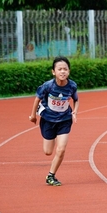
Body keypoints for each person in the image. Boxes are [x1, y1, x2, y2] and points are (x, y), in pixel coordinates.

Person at [29, 56, 79, 186]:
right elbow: (37, 98)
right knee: (48, 152)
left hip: (65, 119)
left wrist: (75, 111)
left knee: (61, 149)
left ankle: (51, 175)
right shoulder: (48, 86)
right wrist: (33, 115)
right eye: (59, 69)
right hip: (48, 120)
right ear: (53, 72)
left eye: (65, 69)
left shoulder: (72, 86)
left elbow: (76, 100)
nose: (62, 72)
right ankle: (52, 136)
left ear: (69, 71)